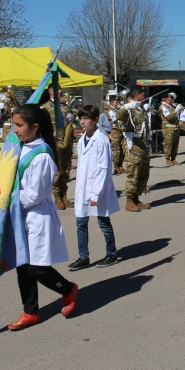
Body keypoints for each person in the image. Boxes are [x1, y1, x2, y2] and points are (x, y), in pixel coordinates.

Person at [7, 104, 78, 331]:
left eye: (19, 125)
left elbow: (33, 196)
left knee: (36, 267)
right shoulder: (21, 146)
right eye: (14, 124)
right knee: (22, 265)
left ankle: (67, 289)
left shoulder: (43, 155)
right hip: (20, 214)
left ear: (35, 127)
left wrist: (5, 198)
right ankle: (30, 312)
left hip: (36, 215)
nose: (14, 129)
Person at [67, 105, 120, 271]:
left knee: (103, 221)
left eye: (86, 119)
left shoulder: (101, 140)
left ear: (95, 120)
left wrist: (95, 194)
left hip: (98, 188)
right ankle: (84, 257)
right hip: (83, 187)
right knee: (81, 222)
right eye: (81, 118)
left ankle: (111, 253)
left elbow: (103, 168)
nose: (82, 122)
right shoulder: (83, 139)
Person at [117, 88, 151, 212]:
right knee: (133, 173)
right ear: (137, 95)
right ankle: (129, 200)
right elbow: (119, 116)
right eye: (143, 94)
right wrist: (126, 107)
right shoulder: (130, 108)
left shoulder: (140, 108)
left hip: (143, 144)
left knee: (143, 173)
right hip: (134, 145)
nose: (144, 96)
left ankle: (136, 198)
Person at [43, 90, 77, 210]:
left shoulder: (65, 106)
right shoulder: (45, 107)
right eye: (58, 89)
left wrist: (72, 116)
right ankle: (57, 196)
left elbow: (72, 121)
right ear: (51, 92)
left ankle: (64, 195)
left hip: (66, 141)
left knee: (66, 168)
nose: (61, 92)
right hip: (55, 141)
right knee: (58, 169)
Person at [107, 95, 127, 174]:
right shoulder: (110, 111)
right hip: (116, 132)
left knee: (122, 149)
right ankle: (116, 166)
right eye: (116, 102)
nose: (118, 103)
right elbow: (116, 119)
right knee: (117, 150)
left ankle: (120, 165)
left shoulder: (117, 109)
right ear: (112, 102)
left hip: (121, 131)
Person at [160, 92, 181, 166]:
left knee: (175, 144)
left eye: (171, 99)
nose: (170, 101)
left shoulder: (172, 106)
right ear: (165, 100)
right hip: (168, 128)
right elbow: (169, 117)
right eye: (168, 100)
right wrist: (176, 111)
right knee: (168, 144)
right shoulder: (163, 107)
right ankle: (168, 159)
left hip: (175, 127)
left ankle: (173, 158)